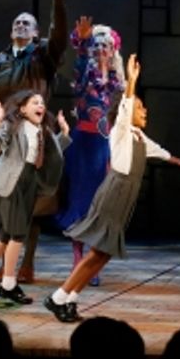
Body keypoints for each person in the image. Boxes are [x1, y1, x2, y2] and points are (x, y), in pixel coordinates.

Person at [44, 53, 180, 322]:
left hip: (124, 199)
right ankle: (57, 297)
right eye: (140, 108)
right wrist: (131, 81)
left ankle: (70, 299)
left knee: (103, 254)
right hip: (113, 193)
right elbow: (126, 106)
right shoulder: (120, 130)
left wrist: (173, 159)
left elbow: (156, 150)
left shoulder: (139, 136)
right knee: (97, 252)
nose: (144, 111)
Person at [0, 0, 67, 283]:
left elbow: (59, 37)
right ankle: (7, 264)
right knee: (6, 200)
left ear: (36, 33)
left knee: (33, 202)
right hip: (3, 135)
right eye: (17, 22)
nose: (21, 25)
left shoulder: (43, 56)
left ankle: (25, 264)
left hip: (32, 136)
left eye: (27, 23)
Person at [0, 91, 70, 306]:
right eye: (35, 102)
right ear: (23, 109)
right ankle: (8, 284)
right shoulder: (13, 126)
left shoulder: (43, 131)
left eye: (42, 103)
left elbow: (52, 153)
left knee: (6, 236)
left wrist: (64, 133)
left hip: (29, 184)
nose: (40, 106)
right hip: (10, 183)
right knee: (17, 235)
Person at [55, 16, 125, 286]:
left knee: (99, 204)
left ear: (113, 50)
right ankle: (77, 257)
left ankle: (92, 262)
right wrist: (84, 43)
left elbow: (119, 112)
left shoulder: (117, 81)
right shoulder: (84, 72)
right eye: (97, 45)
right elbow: (81, 69)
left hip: (103, 145)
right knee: (79, 200)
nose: (101, 49)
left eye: (105, 45)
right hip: (83, 143)